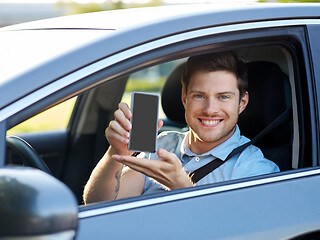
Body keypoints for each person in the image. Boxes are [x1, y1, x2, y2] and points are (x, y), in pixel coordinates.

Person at [83, 51, 279, 204]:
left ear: (242, 103)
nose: (210, 110)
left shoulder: (255, 171)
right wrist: (115, 153)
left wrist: (182, 188)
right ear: (185, 98)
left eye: (223, 97)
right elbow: (98, 205)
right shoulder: (161, 144)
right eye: (199, 96)